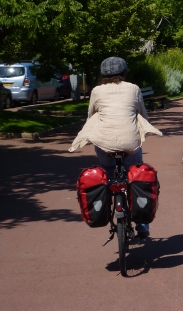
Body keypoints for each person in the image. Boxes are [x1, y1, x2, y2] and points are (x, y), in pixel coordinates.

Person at [69, 57, 162, 238]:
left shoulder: (96, 91)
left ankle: (108, 202)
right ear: (125, 72)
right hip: (130, 145)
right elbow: (142, 113)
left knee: (108, 174)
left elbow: (91, 116)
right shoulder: (133, 89)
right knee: (135, 175)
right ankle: (142, 225)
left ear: (103, 74)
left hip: (104, 144)